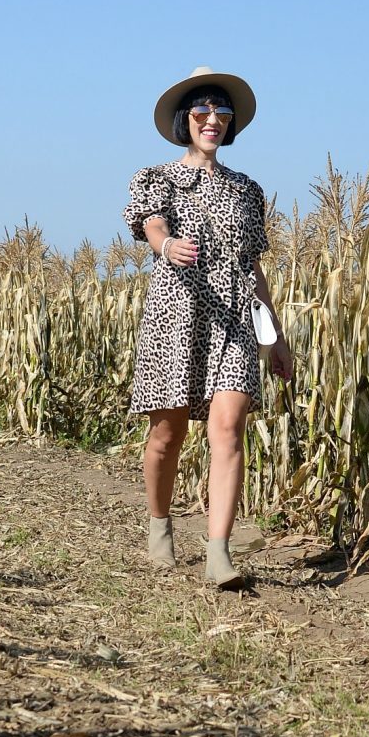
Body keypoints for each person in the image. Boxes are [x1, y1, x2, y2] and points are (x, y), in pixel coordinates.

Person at [123, 65, 292, 589]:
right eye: (201, 110)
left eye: (222, 110)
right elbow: (152, 224)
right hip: (178, 314)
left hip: (236, 318)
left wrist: (277, 335)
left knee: (228, 430)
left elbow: (252, 264)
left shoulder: (247, 190)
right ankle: (158, 526)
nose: (212, 118)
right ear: (184, 120)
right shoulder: (156, 177)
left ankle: (219, 552)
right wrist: (166, 245)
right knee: (166, 435)